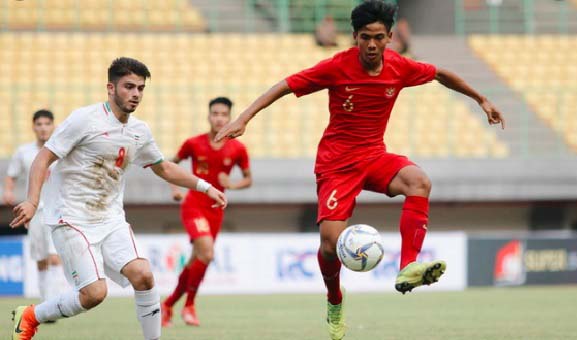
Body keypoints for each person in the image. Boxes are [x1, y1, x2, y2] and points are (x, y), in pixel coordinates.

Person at [215, 1, 505, 339]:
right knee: (329, 245)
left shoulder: (399, 66)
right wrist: (244, 117)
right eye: (364, 37)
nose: (371, 45)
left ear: (389, 37)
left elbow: (441, 74)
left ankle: (408, 266)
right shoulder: (336, 67)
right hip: (336, 165)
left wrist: (481, 99)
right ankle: (335, 301)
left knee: (419, 181)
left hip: (373, 156)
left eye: (378, 37)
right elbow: (285, 85)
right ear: (354, 36)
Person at [10, 57, 227, 340]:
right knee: (94, 294)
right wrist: (32, 200)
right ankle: (31, 316)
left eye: (140, 88)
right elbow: (43, 157)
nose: (136, 94)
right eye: (129, 87)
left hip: (111, 219)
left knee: (144, 275)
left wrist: (204, 185)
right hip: (71, 219)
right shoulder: (84, 119)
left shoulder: (139, 131)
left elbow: (163, 167)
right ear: (110, 88)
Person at [162, 96, 252, 327]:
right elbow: (169, 166)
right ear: (208, 116)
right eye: (215, 114)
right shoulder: (193, 143)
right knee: (208, 253)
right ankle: (189, 305)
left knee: (197, 259)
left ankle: (168, 305)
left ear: (230, 117)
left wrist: (231, 185)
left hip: (216, 209)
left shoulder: (238, 148)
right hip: (194, 204)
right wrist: (175, 189)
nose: (219, 118)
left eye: (224, 114)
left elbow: (248, 180)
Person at [3, 110, 67, 308]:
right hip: (35, 211)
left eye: (47, 124)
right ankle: (45, 301)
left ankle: (55, 302)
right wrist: (8, 191)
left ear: (53, 126)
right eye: (39, 124)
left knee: (55, 257)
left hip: (59, 209)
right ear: (33, 127)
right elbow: (11, 174)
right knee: (41, 259)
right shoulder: (24, 152)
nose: (43, 128)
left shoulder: (62, 148)